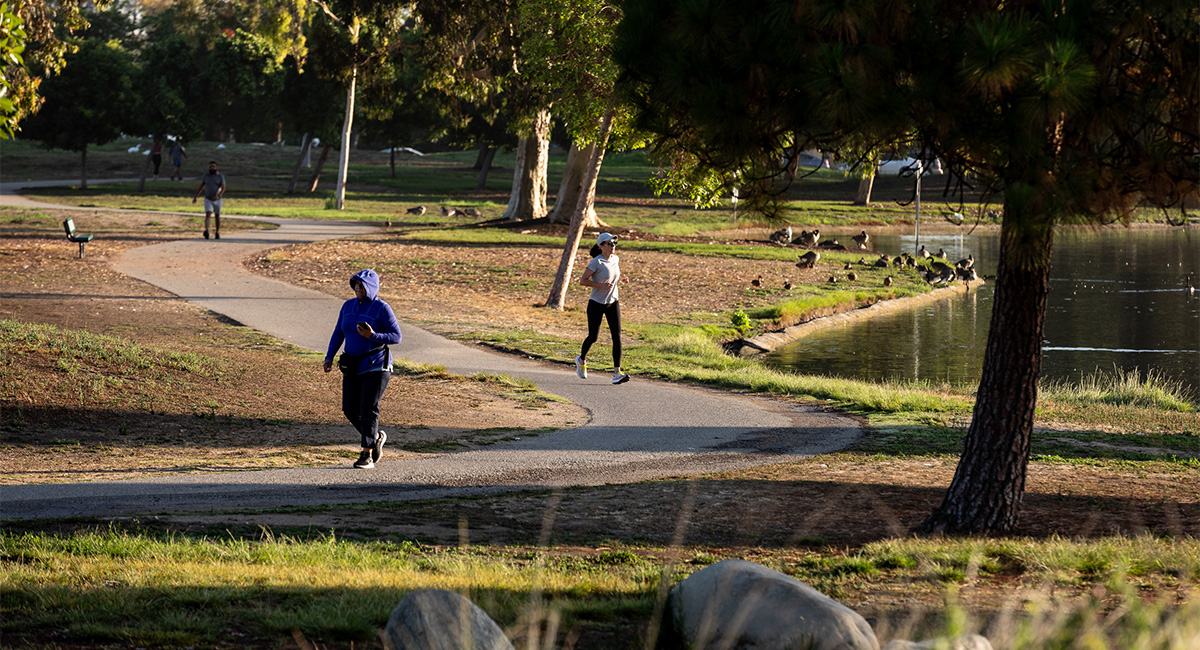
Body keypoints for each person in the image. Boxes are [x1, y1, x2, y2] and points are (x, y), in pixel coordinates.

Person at [323, 269, 403, 469]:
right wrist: (329, 356)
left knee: (368, 408)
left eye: (361, 285)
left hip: (377, 364)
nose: (357, 288)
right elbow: (338, 333)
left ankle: (366, 454)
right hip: (352, 364)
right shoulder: (347, 306)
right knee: (349, 408)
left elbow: (396, 336)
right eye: (355, 284)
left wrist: (373, 336)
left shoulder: (382, 308)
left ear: (371, 287)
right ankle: (375, 437)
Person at [576, 232, 629, 385]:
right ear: (601, 246)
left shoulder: (616, 259)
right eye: (609, 244)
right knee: (593, 337)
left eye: (614, 243)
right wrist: (601, 285)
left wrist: (620, 279)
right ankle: (581, 359)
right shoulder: (596, 262)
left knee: (617, 336)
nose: (613, 246)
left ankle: (617, 373)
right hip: (596, 304)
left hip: (613, 302)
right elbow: (583, 281)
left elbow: (612, 274)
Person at [192, 160, 225, 239]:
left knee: (217, 216)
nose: (212, 168)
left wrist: (219, 195)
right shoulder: (206, 176)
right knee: (208, 214)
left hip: (217, 199)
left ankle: (217, 232)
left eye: (213, 166)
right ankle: (206, 231)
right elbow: (201, 187)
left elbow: (223, 188)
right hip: (208, 198)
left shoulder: (220, 176)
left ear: (216, 167)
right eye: (211, 166)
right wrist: (195, 197)